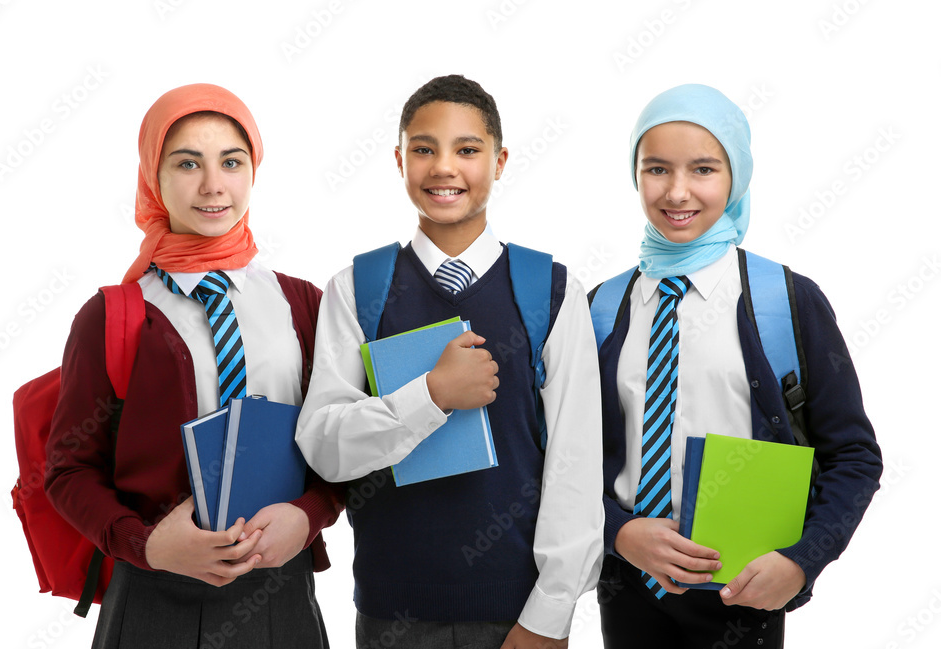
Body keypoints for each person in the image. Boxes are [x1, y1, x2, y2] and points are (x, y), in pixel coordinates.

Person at [294, 74, 604, 649]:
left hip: (519, 615)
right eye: (424, 149)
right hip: (393, 614)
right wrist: (430, 397)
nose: (444, 167)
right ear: (399, 159)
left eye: (467, 150)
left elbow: (576, 465)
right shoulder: (357, 288)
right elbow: (325, 447)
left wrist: (551, 614)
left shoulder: (550, 291)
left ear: (500, 160)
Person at [44, 83, 344, 649]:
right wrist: (148, 544)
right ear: (153, 177)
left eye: (231, 162)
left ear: (252, 171)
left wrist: (309, 515)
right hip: (152, 602)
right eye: (187, 163)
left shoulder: (304, 304)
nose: (213, 185)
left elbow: (340, 443)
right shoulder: (114, 314)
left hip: (281, 598)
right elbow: (67, 471)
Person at [594, 83, 883, 647]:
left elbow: (853, 455)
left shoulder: (786, 300)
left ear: (736, 179)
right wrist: (619, 532)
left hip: (745, 595)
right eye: (656, 169)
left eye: (703, 169)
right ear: (636, 175)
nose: (677, 191)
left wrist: (802, 561)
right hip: (627, 591)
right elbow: (560, 461)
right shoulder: (601, 308)